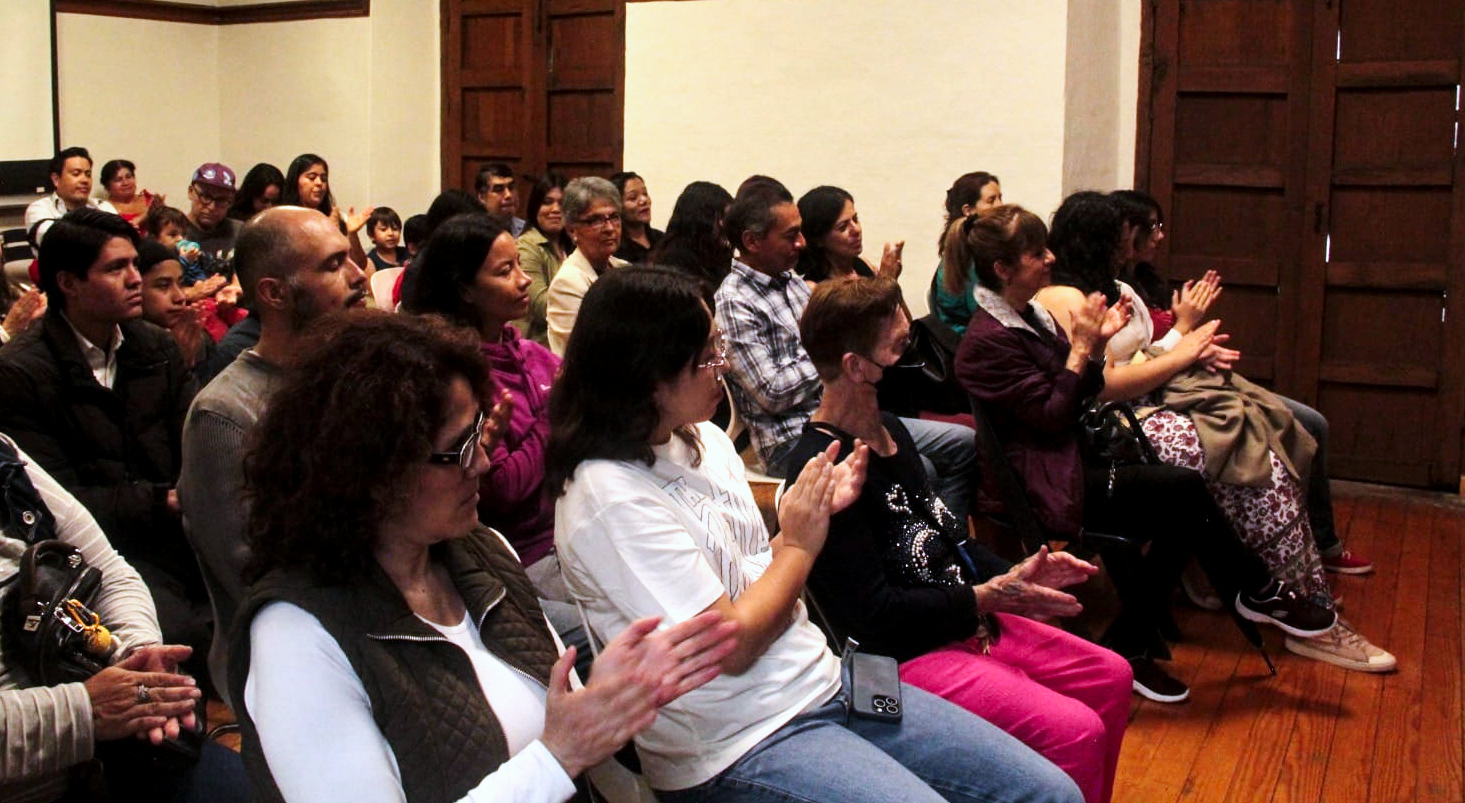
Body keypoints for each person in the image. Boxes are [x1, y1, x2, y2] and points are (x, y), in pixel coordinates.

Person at [549, 265, 1083, 803]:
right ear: (648, 376)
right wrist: (802, 541)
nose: (725, 367)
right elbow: (729, 644)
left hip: (826, 681)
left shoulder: (705, 441)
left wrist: (806, 525)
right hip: (736, 740)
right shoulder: (607, 495)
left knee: (1047, 791)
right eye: (707, 357)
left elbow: (752, 573)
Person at [230, 309, 738, 803]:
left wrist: (605, 699)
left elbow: (566, 738)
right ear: (374, 471)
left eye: (480, 435)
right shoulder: (294, 634)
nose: (485, 462)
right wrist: (557, 757)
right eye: (459, 448)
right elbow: (557, 752)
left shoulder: (480, 551)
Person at [953, 205, 1336, 701]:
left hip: (1069, 459)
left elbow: (1079, 396)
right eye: (1035, 253)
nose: (1049, 259)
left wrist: (1093, 348)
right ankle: (1249, 591)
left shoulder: (1031, 315)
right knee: (1184, 494)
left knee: (1185, 496)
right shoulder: (985, 340)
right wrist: (1082, 350)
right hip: (1042, 482)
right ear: (1003, 269)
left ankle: (1149, 637)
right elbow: (1052, 415)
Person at [786, 276, 1131, 803]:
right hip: (906, 655)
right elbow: (871, 618)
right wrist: (983, 597)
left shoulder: (892, 434)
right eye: (901, 348)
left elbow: (952, 543)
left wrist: (1022, 572)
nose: (917, 359)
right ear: (857, 367)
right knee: (1074, 730)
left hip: (965, 618)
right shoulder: (820, 471)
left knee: (1111, 674)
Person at [1037, 192, 1393, 673]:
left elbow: (1142, 354)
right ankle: (1276, 594)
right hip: (1110, 428)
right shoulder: (1063, 298)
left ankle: (1286, 590)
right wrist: (1184, 347)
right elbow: (1100, 388)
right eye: (1119, 241)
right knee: (1248, 459)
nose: (1130, 249)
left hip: (1149, 402)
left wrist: (1187, 348)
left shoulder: (1114, 285)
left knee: (1264, 445)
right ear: (1096, 242)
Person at [1111, 189, 1374, 579]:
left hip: (1189, 380)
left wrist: (1195, 341)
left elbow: (1166, 347)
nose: (1160, 236)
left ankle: (1316, 546)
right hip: (1162, 394)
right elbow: (1138, 359)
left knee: (1310, 423)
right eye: (1151, 227)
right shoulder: (1109, 292)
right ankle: (1255, 568)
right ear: (1125, 231)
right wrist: (1185, 330)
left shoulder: (1144, 281)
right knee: (1265, 437)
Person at [0, 209, 211, 678]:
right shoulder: (22, 372)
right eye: (116, 269)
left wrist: (192, 495)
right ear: (69, 283)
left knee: (261, 603)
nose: (136, 279)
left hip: (178, 527)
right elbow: (53, 501)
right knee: (186, 637)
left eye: (135, 265)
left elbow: (193, 443)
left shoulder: (155, 347)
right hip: (98, 550)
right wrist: (162, 501)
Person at [178, 206, 368, 700]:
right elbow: (256, 579)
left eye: (350, 258)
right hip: (287, 658)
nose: (358, 276)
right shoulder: (224, 415)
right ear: (274, 293)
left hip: (373, 617)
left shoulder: (358, 379)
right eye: (332, 265)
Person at [0, 434, 247, 803]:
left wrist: (138, 653)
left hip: (115, 746)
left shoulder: (5, 457)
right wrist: (86, 709)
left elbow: (110, 569)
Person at [716, 182, 979, 523]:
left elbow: (844, 343)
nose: (802, 243)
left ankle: (946, 548)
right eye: (790, 235)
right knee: (919, 469)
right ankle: (909, 557)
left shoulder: (791, 281)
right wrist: (832, 354)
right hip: (794, 437)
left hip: (849, 415)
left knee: (965, 444)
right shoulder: (735, 301)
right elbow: (773, 392)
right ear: (752, 241)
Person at [402, 214, 581, 646]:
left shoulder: (533, 355)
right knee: (627, 629)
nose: (524, 281)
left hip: (574, 525)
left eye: (520, 265)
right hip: (525, 554)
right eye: (505, 272)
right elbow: (501, 492)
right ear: (464, 287)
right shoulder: (454, 377)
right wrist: (553, 416)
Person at [545, 176, 628, 355]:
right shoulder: (567, 283)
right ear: (572, 230)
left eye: (614, 217)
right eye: (596, 220)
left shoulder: (623, 268)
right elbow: (588, 351)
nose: (609, 228)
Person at [933, 171, 1003, 335]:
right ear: (968, 210)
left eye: (1001, 197)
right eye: (991, 200)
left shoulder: (981, 250)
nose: (1000, 205)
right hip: (966, 344)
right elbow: (985, 313)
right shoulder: (968, 254)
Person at [136, 239, 214, 386]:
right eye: (163, 286)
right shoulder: (121, 349)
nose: (180, 297)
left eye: (180, 284)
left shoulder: (197, 341)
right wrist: (177, 366)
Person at [647, 180, 734, 305]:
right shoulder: (674, 265)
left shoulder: (716, 255)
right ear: (701, 220)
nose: (723, 224)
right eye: (719, 217)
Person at [795, 185, 902, 285]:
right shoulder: (814, 288)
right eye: (843, 227)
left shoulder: (863, 266)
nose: (856, 230)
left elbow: (897, 305)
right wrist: (887, 282)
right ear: (819, 239)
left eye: (855, 219)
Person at [281, 153, 371, 269]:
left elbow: (359, 265)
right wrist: (328, 235)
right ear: (295, 181)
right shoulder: (284, 219)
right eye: (312, 177)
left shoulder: (334, 217)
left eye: (323, 179)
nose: (319, 183)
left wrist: (352, 234)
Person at [513, 171, 572, 344]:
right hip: (536, 346)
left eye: (562, 203)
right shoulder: (526, 245)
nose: (555, 209)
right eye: (547, 202)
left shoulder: (573, 245)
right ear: (535, 207)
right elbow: (541, 306)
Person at [25, 147, 119, 244]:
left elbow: (121, 239)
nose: (84, 180)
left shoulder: (103, 206)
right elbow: (56, 242)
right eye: (76, 174)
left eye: (88, 174)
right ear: (56, 179)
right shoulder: (40, 208)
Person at [611, 170, 663, 264]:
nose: (644, 200)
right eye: (633, 198)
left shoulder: (661, 239)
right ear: (617, 205)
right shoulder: (615, 248)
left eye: (645, 194)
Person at [100, 158, 161, 229]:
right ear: (107, 187)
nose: (125, 183)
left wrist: (161, 211)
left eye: (129, 177)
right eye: (118, 180)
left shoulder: (151, 202)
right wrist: (144, 216)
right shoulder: (102, 209)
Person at [475, 161, 526, 236]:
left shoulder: (527, 230)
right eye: (498, 189)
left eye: (511, 187)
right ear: (482, 197)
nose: (509, 195)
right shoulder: (473, 232)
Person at [364, 206, 406, 270]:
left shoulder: (407, 253)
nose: (391, 233)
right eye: (383, 229)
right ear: (371, 235)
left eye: (395, 229)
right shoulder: (370, 262)